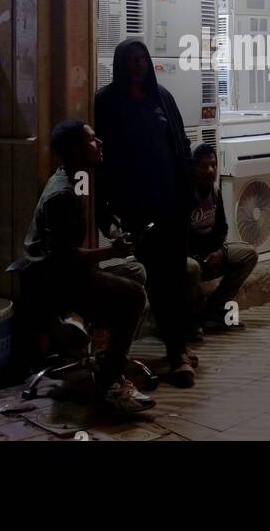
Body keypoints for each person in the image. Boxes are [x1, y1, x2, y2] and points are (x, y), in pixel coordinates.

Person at [14, 120, 154, 415]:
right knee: (134, 296)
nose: (99, 143)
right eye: (92, 140)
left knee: (136, 272)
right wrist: (111, 250)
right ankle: (110, 384)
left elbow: (99, 216)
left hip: (64, 272)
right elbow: (64, 258)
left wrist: (116, 234)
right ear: (75, 150)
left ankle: (106, 354)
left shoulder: (77, 178)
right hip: (56, 282)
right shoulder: (63, 195)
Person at [94, 39, 199, 388]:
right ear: (120, 64)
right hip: (138, 210)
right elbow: (103, 160)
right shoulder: (107, 102)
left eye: (142, 58)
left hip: (172, 204)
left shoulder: (162, 97)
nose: (137, 65)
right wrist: (107, 213)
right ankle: (174, 351)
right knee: (156, 278)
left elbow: (180, 142)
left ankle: (177, 347)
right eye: (131, 59)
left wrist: (188, 189)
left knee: (176, 275)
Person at [185, 143, 258, 340]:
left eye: (214, 165)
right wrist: (197, 256)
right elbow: (176, 236)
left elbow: (221, 228)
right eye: (204, 166)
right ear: (193, 167)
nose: (210, 170)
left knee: (248, 254)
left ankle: (214, 310)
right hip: (188, 257)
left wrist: (218, 251)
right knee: (190, 268)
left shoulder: (215, 192)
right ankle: (189, 322)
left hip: (210, 254)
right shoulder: (183, 195)